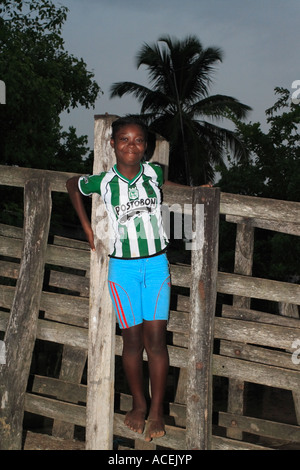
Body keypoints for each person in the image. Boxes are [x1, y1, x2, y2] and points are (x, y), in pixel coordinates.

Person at [66, 116, 211, 442]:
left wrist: (192, 191)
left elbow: (164, 186)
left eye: (138, 141)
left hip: (157, 268)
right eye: (124, 140)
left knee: (156, 342)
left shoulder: (153, 172)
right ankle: (138, 403)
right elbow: (72, 184)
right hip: (123, 271)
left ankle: (158, 409)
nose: (132, 146)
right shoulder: (103, 182)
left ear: (146, 147)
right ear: (113, 144)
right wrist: (87, 227)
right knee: (132, 342)